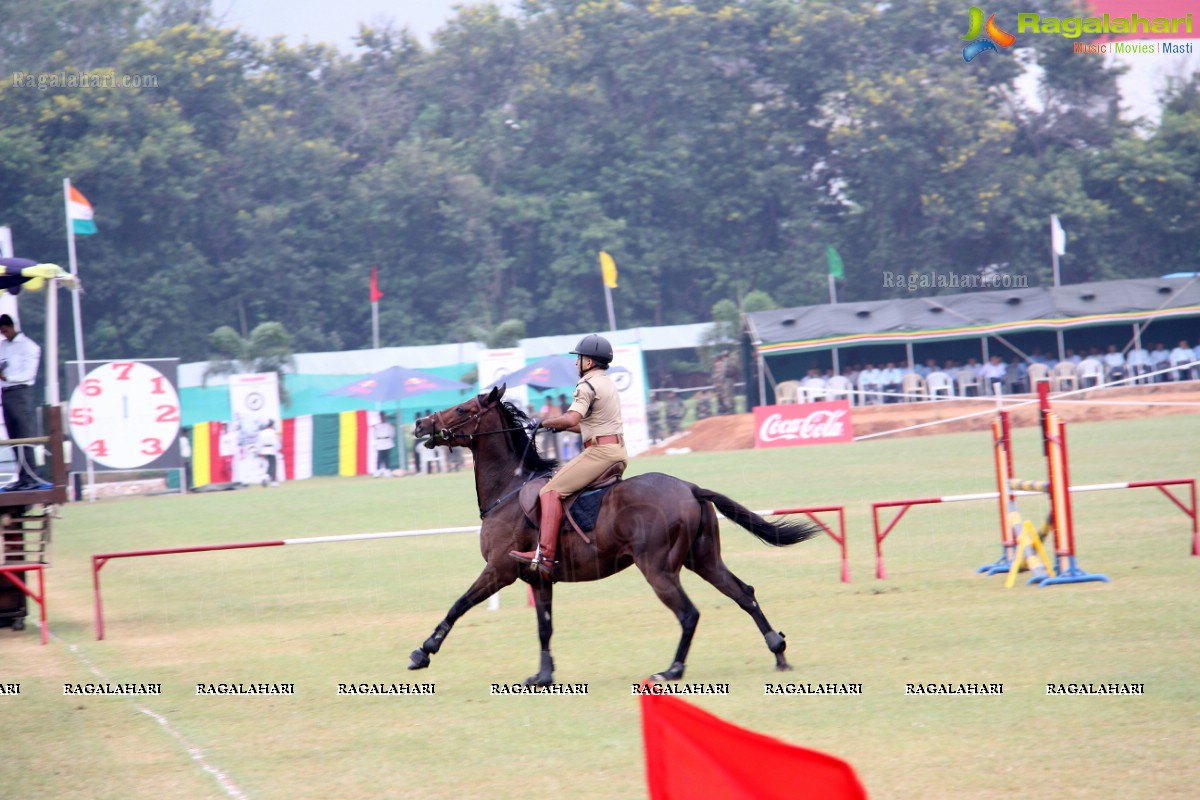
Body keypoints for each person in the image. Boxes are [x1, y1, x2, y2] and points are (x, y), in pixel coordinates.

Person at [510, 334, 627, 578]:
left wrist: (542, 421)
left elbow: (573, 418)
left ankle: (545, 555)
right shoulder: (606, 382)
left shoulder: (587, 384)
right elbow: (583, 426)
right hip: (617, 450)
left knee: (549, 491)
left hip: (600, 453)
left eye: (579, 358)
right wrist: (554, 425)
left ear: (590, 361)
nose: (576, 363)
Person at [0, 314, 46, 490]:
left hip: (21, 393)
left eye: (5, 330)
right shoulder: (3, 346)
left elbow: (28, 374)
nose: (4, 334)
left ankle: (31, 477)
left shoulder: (29, 347)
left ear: (13, 326)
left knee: (24, 436)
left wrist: (7, 376)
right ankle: (21, 477)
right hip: (6, 393)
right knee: (13, 438)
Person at [256, 419, 280, 487]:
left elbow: (260, 442)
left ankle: (273, 481)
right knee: (273, 465)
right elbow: (276, 442)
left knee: (270, 465)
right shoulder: (273, 432)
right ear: (272, 425)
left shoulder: (262, 432)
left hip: (264, 449)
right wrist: (277, 449)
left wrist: (260, 451)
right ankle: (266, 476)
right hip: (272, 449)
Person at [372, 413, 396, 477]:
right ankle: (377, 471)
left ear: (385, 418)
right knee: (379, 458)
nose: (382, 418)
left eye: (383, 417)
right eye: (381, 417)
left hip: (387, 441)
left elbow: (392, 434)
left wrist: (388, 439)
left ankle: (387, 471)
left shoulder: (389, 425)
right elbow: (374, 434)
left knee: (387, 458)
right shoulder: (376, 426)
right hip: (379, 442)